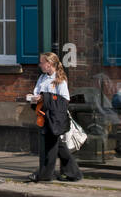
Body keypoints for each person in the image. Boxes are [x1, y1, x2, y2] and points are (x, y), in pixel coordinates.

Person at [26, 52, 83, 183]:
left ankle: (44, 175)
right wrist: (34, 98)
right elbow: (37, 93)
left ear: (49, 64)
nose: (39, 64)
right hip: (43, 116)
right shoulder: (41, 78)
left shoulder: (60, 79)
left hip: (54, 118)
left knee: (50, 147)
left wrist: (44, 97)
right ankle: (74, 173)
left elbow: (64, 100)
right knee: (60, 147)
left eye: (42, 62)